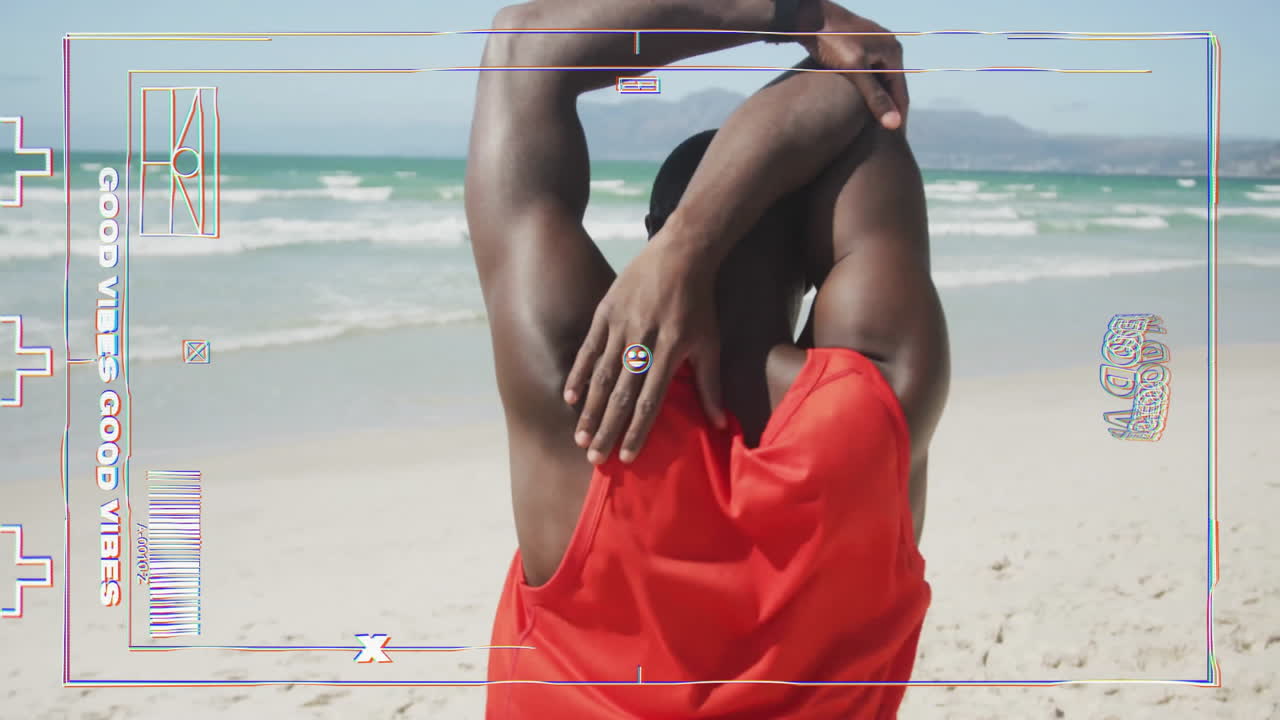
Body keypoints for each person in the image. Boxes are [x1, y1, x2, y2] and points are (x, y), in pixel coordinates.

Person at [464, 0, 950, 717]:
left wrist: (797, 13)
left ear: (648, 236)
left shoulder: (576, 395)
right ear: (817, 259)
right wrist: (702, 236)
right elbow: (861, 89)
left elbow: (522, 47)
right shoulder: (884, 401)